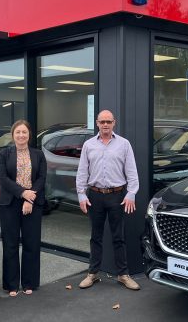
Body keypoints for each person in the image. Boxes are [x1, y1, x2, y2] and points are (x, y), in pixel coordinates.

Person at [76, 110, 140, 291]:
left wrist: (131, 193)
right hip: (94, 196)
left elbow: (132, 173)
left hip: (117, 196)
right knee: (95, 237)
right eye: (102, 121)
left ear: (114, 123)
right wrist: (81, 194)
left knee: (118, 237)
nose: (105, 124)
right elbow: (82, 172)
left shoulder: (124, 144)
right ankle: (93, 273)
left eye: (108, 121)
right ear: (97, 123)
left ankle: (123, 275)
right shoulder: (89, 145)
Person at [0, 120, 47, 297]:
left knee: (31, 243)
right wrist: (23, 194)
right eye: (18, 132)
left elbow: (41, 178)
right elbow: (3, 179)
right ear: (13, 135)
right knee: (10, 244)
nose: (21, 135)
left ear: (29, 135)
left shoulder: (38, 154)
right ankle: (11, 284)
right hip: (10, 203)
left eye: (24, 132)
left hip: (32, 202)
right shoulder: (4, 154)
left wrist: (29, 198)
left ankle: (29, 283)